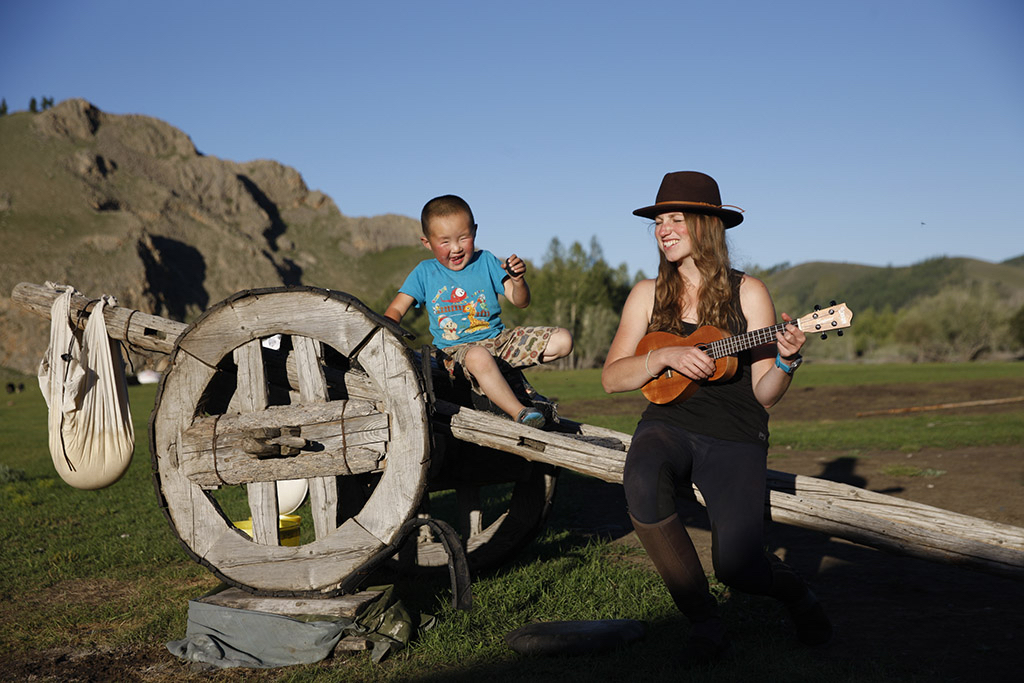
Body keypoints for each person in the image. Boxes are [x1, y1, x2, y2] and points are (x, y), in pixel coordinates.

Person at [600, 171, 831, 662]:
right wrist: (664, 358)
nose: (663, 229)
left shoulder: (749, 292)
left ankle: (797, 595)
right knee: (641, 481)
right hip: (667, 423)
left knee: (739, 568)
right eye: (659, 221)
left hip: (736, 433)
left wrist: (787, 360)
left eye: (675, 219)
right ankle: (706, 623)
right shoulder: (646, 294)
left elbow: (765, 393)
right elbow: (612, 377)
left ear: (706, 225)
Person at [385, 194, 573, 428]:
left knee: (563, 340)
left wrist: (518, 281)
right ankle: (521, 412)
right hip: (456, 353)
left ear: (474, 231)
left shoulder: (486, 261)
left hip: (499, 342)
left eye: (463, 238)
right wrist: (385, 335)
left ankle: (500, 373)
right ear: (427, 243)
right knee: (478, 356)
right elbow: (396, 309)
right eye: (445, 242)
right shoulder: (425, 272)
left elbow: (520, 301)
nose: (455, 248)